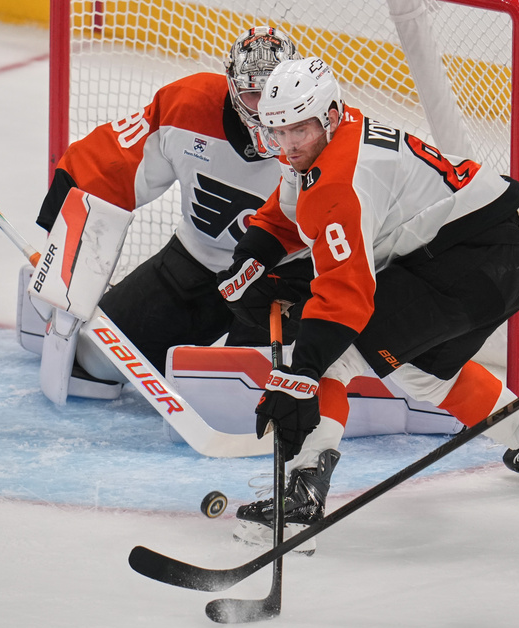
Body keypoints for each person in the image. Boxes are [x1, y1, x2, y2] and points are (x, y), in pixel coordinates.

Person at [216, 56, 519, 547]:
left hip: (471, 263)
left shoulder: (340, 181)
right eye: (276, 132)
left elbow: (346, 297)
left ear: (327, 116)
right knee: (421, 370)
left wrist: (299, 376)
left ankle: (301, 499)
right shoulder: (329, 139)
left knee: (332, 354)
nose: (286, 145)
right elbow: (291, 208)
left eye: (297, 130)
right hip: (500, 255)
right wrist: (254, 253)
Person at [31, 26, 312, 387]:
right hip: (195, 261)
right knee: (97, 360)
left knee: (248, 391)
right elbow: (111, 163)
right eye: (253, 93)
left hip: (282, 278)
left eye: (275, 92)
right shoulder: (189, 105)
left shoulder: (320, 131)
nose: (265, 107)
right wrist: (59, 238)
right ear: (232, 86)